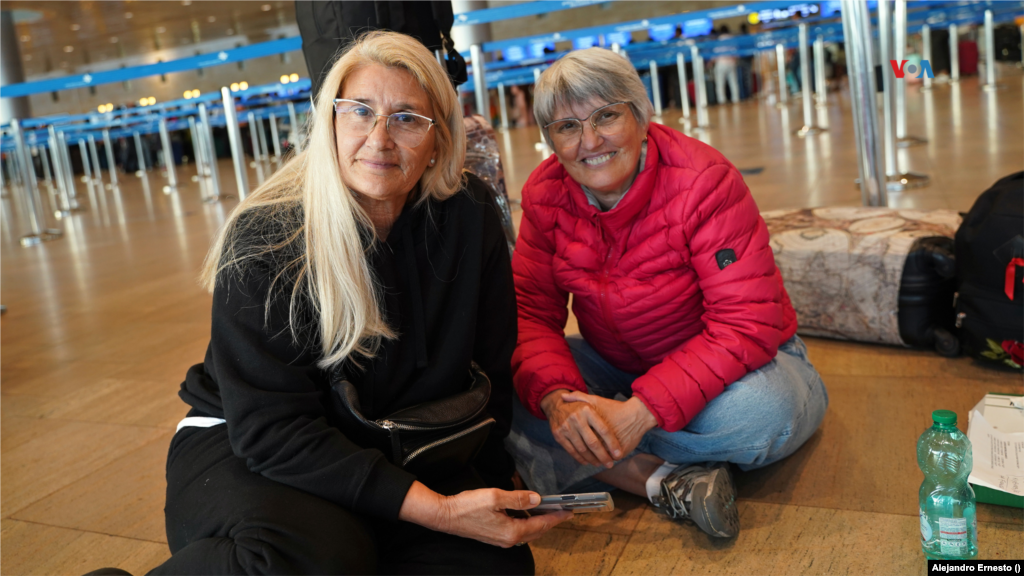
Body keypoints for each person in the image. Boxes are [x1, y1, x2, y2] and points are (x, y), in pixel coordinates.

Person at [83, 31, 569, 576]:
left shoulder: (468, 213)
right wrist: (436, 510)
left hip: (403, 442)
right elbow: (270, 429)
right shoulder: (269, 236)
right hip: (252, 446)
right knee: (321, 558)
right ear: (329, 122)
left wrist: (489, 484)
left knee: (492, 567)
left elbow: (490, 371)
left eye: (407, 118)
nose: (379, 139)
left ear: (439, 138)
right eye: (360, 111)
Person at [506, 48, 828, 539]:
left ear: (640, 115)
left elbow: (746, 324)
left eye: (606, 116)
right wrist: (558, 401)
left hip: (740, 371)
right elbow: (530, 312)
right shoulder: (544, 195)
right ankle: (664, 481)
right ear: (549, 140)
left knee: (767, 413)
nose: (589, 141)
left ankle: (606, 455)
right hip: (619, 362)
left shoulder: (704, 183)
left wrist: (639, 412)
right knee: (502, 388)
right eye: (567, 128)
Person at [713, 24, 740, 104]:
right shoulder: (732, 38)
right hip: (731, 62)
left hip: (721, 62)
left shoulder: (719, 39)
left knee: (720, 83)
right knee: (733, 82)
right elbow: (736, 51)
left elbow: (716, 52)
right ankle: (736, 99)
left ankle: (722, 101)